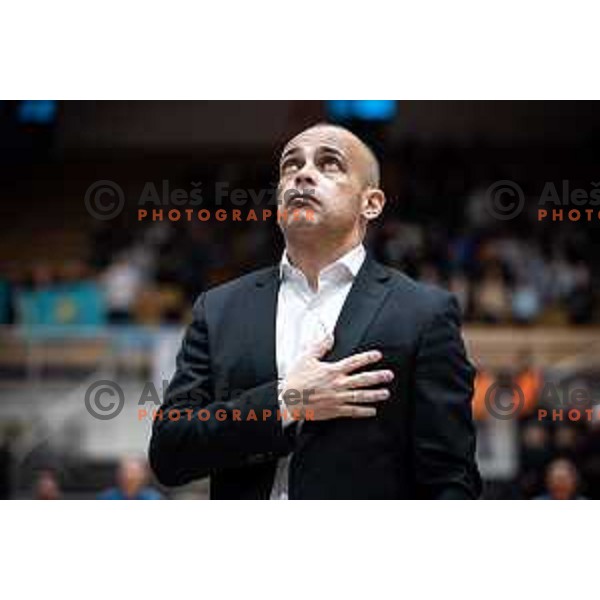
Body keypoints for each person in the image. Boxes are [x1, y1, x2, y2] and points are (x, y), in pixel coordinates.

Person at [149, 123, 481, 499]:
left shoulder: (424, 313)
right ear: (277, 205)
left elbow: (450, 482)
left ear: (370, 203)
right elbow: (169, 452)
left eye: (329, 164)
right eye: (291, 166)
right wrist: (287, 401)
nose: (302, 173)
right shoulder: (220, 308)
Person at [98, 458, 162, 500]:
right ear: (119, 475)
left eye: (134, 472)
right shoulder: (106, 497)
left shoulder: (153, 498)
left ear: (143, 476)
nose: (129, 476)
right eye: (126, 472)